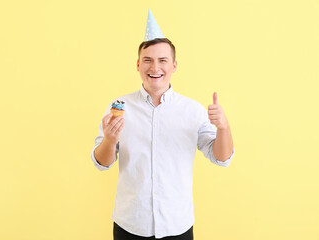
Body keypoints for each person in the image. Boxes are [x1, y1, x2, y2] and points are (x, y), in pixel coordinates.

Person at [91, 10, 234, 240]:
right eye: (147, 60)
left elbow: (222, 158)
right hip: (130, 225)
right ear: (138, 65)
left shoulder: (192, 110)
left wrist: (224, 128)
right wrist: (109, 140)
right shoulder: (118, 107)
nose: (154, 67)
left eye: (162, 60)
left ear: (174, 65)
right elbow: (101, 163)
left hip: (177, 225)